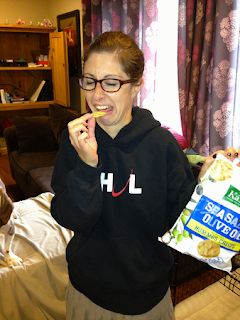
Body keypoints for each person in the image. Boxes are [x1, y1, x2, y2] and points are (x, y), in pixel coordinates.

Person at [50, 31, 239, 320]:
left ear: (136, 85)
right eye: (89, 81)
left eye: (111, 83)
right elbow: (69, 217)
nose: (96, 95)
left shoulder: (162, 146)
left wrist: (211, 184)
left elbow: (187, 229)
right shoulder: (74, 139)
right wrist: (88, 166)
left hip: (147, 298)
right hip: (85, 291)